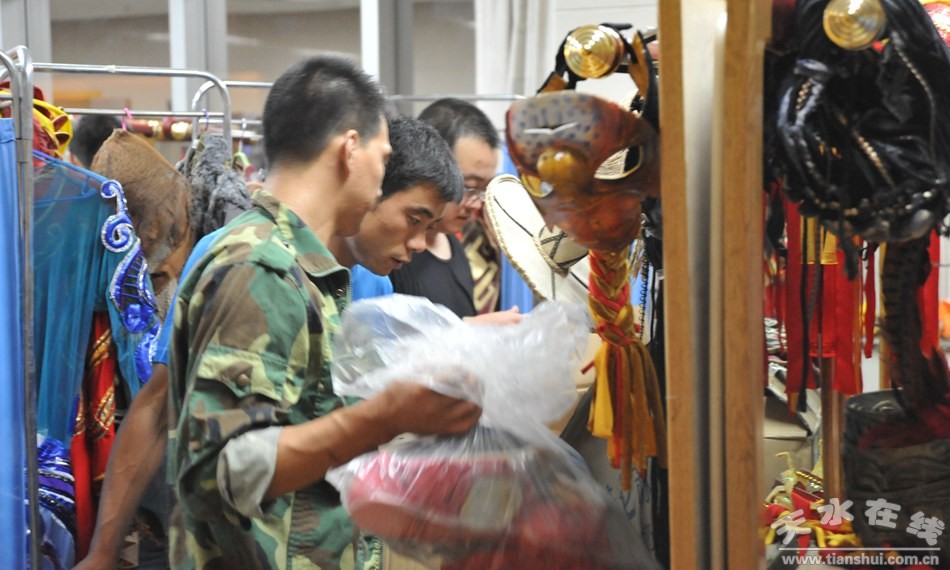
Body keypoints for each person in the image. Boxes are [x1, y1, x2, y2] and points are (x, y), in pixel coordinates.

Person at [75, 77, 474, 568]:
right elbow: (210, 460)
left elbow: (320, 424)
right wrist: (104, 551)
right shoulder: (257, 265)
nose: (418, 244)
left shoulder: (354, 282)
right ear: (352, 155)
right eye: (414, 219)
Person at [390, 98, 505, 317]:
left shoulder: (455, 245)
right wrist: (467, 329)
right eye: (468, 187)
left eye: (483, 190)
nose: (476, 204)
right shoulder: (391, 253)